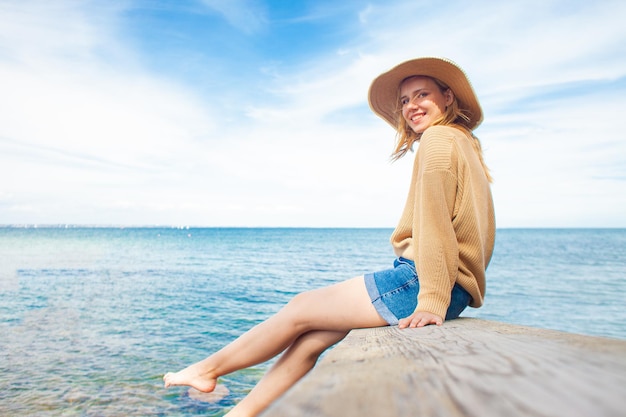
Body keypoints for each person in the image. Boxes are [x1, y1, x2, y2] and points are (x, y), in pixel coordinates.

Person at [163, 57, 496, 416]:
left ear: (447, 96)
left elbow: (435, 225)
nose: (411, 106)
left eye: (422, 95)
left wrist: (431, 300)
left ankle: (205, 370)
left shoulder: (437, 140)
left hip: (426, 282)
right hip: (450, 286)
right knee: (312, 339)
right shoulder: (464, 142)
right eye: (404, 100)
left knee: (301, 308)